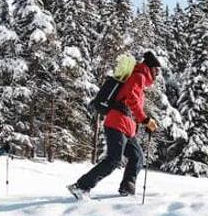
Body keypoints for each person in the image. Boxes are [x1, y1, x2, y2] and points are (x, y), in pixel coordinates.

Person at [68, 51, 161, 200]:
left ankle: (127, 187)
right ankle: (81, 186)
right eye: (156, 70)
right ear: (149, 68)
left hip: (127, 128)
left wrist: (143, 122)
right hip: (117, 123)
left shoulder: (140, 81)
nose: (157, 74)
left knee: (137, 157)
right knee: (114, 159)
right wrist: (145, 120)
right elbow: (131, 99)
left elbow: (132, 104)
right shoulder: (139, 76)